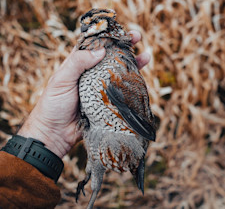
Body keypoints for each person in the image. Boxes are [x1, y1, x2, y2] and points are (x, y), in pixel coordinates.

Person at [0, 30, 150, 208]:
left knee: (99, 151)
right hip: (89, 132)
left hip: (113, 134)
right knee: (95, 154)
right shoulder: (93, 62)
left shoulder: (119, 70)